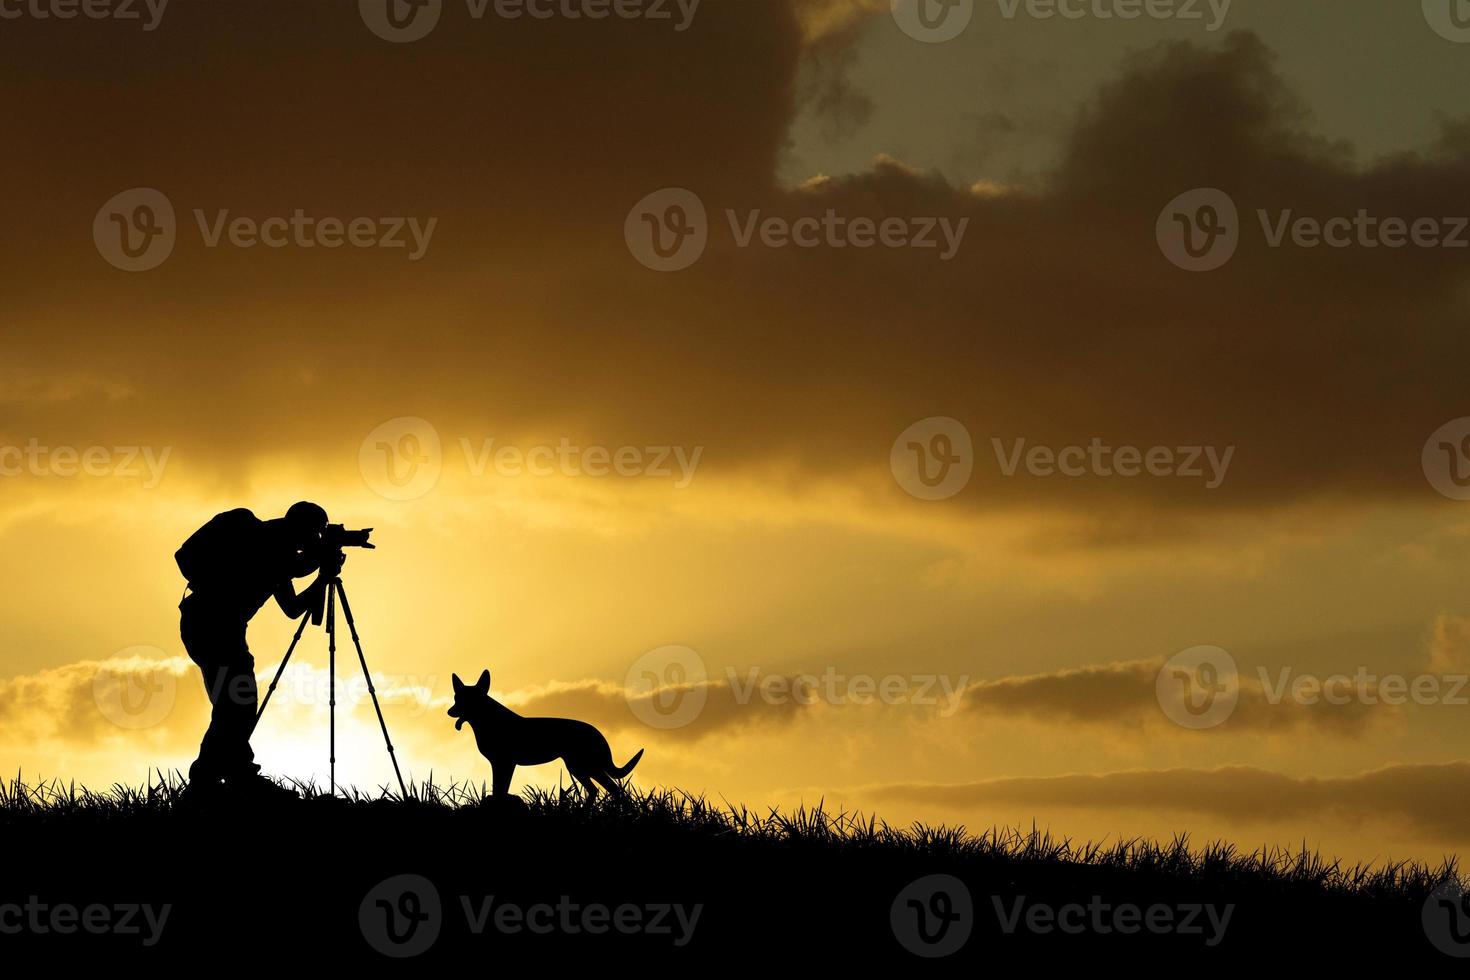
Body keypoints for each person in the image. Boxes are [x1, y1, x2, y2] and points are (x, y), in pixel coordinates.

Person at [174, 501, 342, 798]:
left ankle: (229, 775)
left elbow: (291, 607)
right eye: (313, 535)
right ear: (300, 529)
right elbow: (292, 567)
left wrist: (321, 575)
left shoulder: (277, 550)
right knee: (236, 702)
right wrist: (321, 567)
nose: (314, 542)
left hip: (213, 627)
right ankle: (211, 781)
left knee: (234, 703)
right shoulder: (263, 542)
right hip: (213, 627)